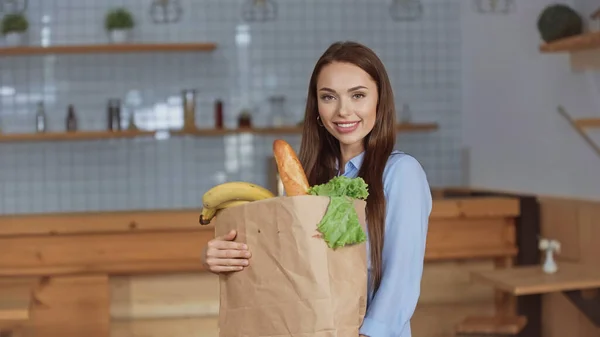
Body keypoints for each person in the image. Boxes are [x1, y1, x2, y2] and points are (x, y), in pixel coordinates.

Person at [202, 41, 432, 337]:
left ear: (380, 101)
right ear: (316, 107)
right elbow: (286, 269)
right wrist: (220, 256)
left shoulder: (401, 173)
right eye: (328, 97)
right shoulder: (308, 182)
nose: (343, 110)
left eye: (358, 95)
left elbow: (402, 280)